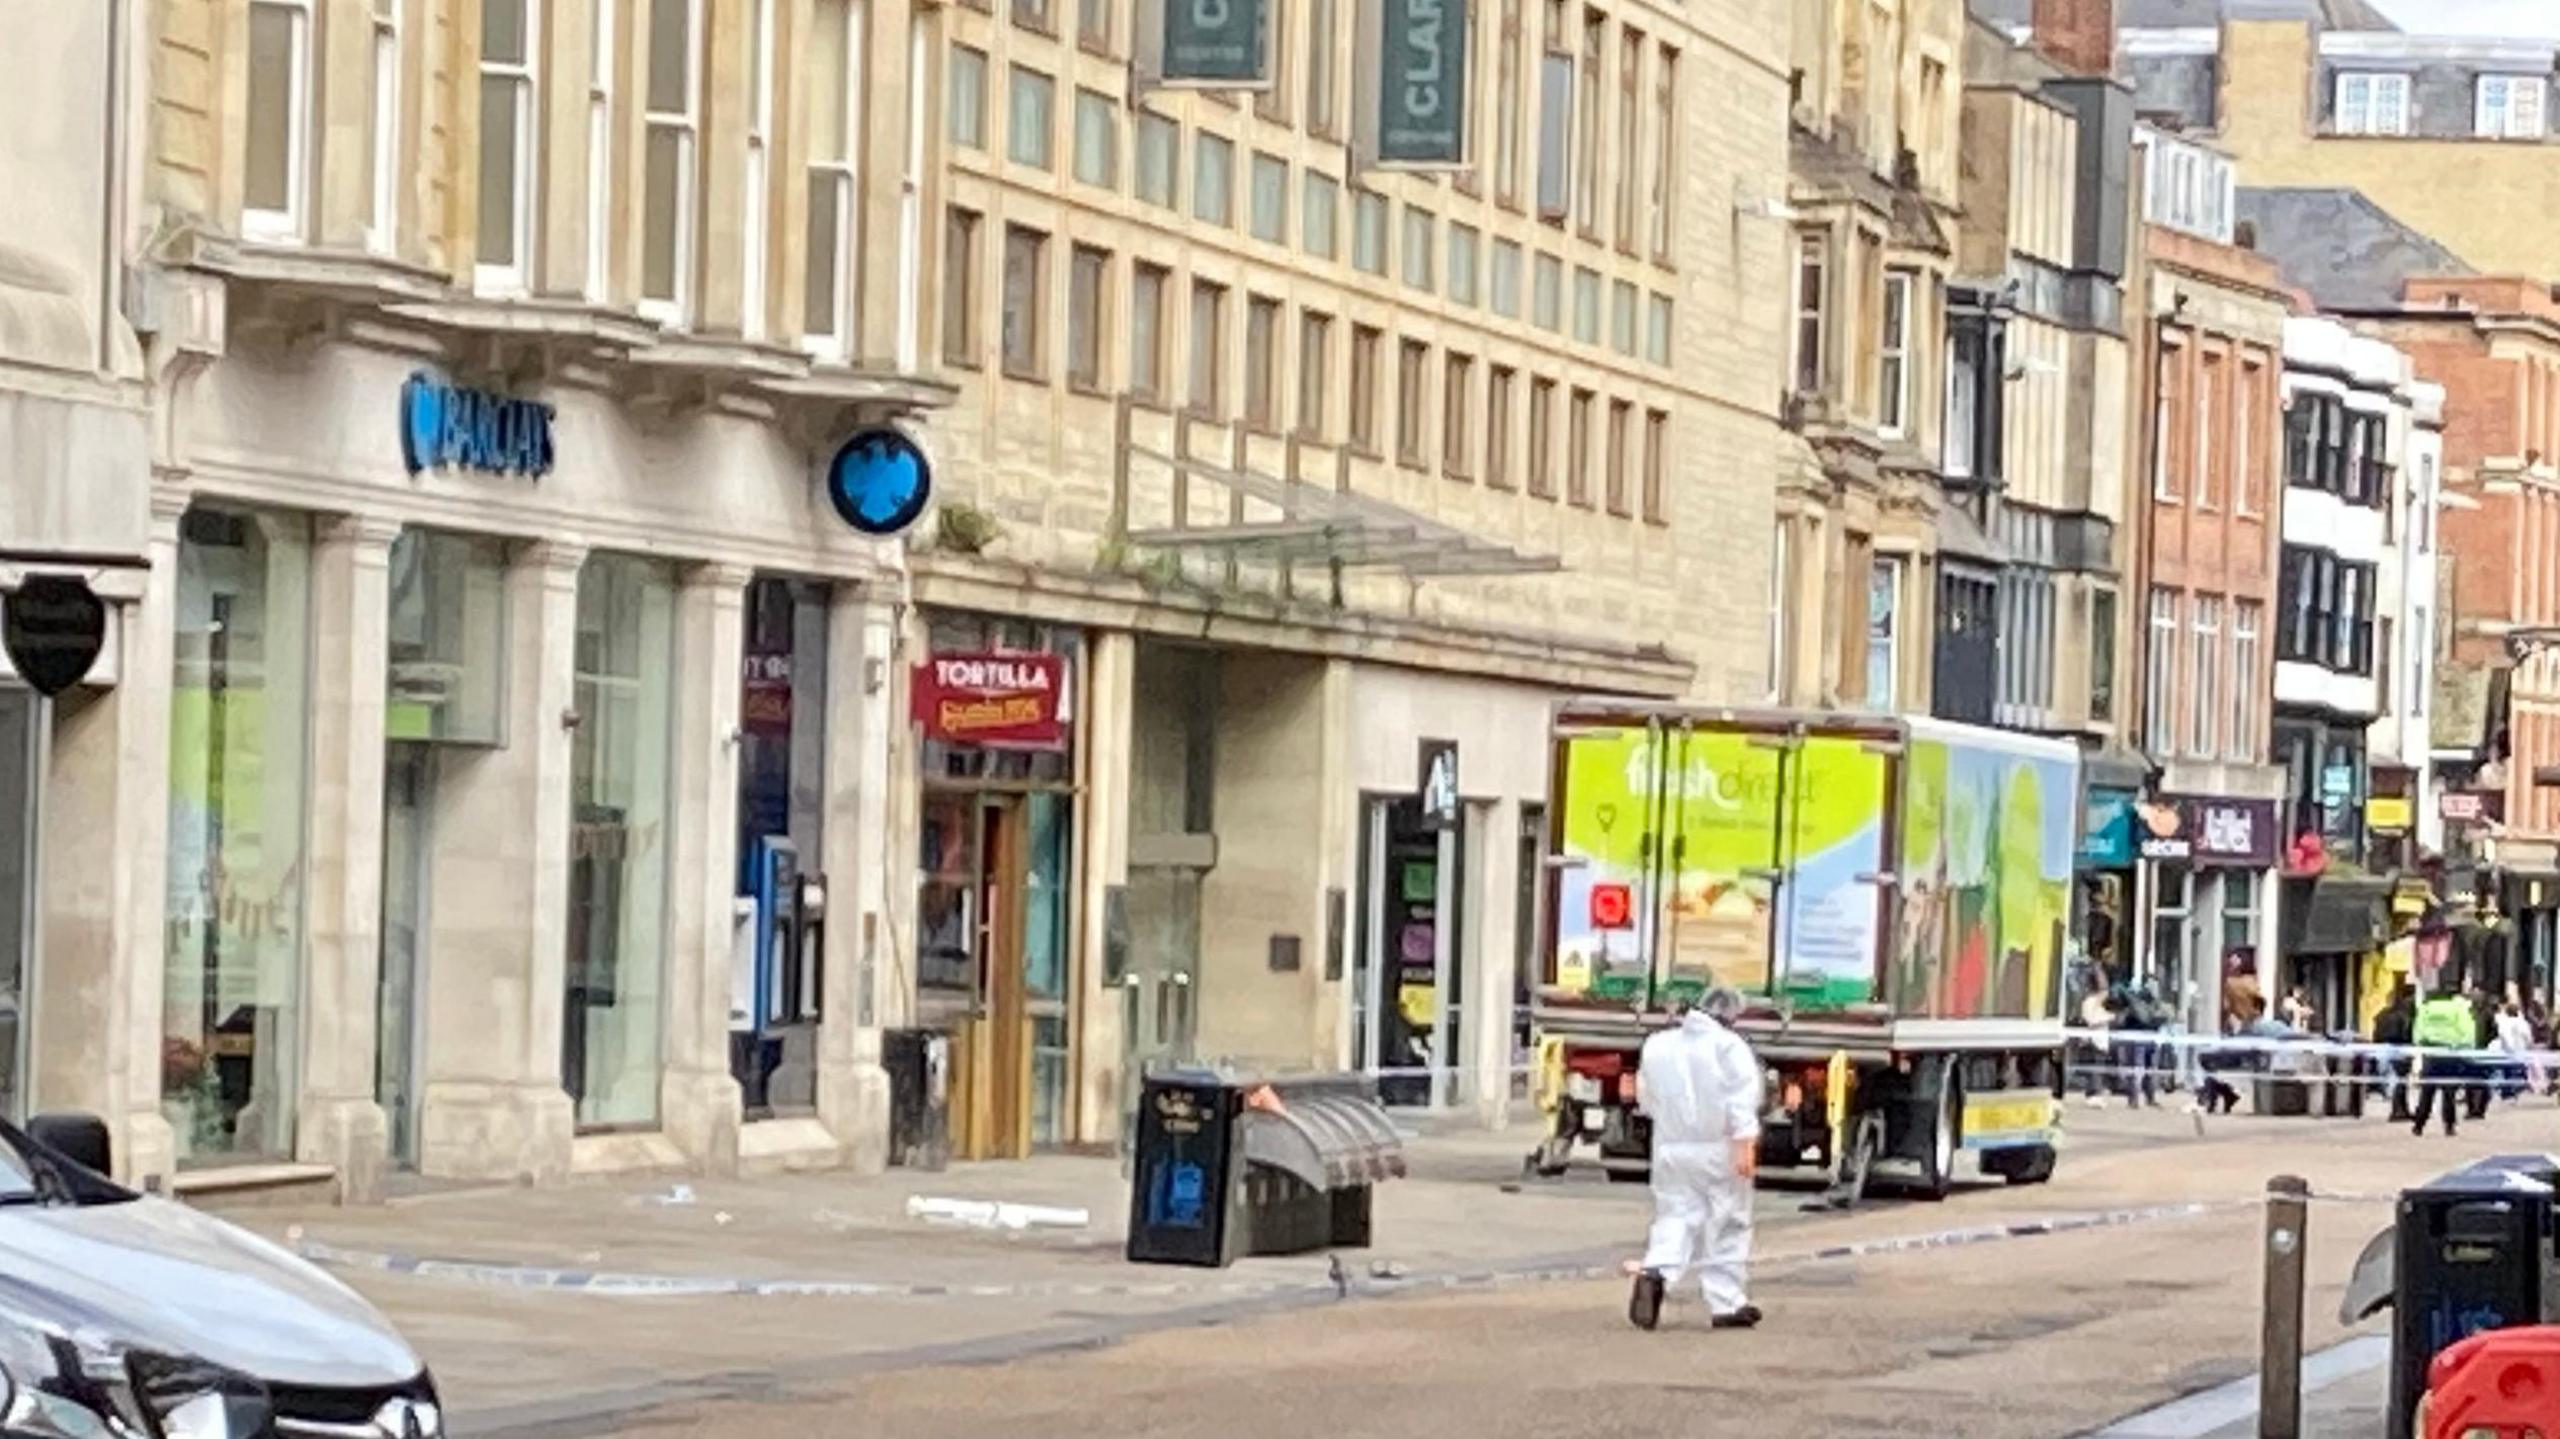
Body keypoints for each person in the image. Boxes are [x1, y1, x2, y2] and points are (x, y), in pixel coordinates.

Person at [1629, 986, 1766, 1333]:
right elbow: (1741, 1097)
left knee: (1674, 1216)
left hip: (1671, 1148)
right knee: (1728, 1223)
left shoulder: (1658, 1045)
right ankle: (1727, 1303)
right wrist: (1745, 1142)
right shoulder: (1729, 1046)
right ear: (1729, 1014)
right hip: (1719, 1147)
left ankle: (1656, 1272)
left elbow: (1646, 1099)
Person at [2413, 986, 2478, 1138]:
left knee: (2427, 1091)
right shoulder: (2458, 1008)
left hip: (2431, 1052)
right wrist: (2466, 1046)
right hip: (2451, 1053)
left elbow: (2418, 1030)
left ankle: (2419, 1124)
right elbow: (2467, 1030)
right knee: (2449, 1092)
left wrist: (2421, 1043)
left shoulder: (2426, 1008)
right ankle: (2449, 1125)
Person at [2372, 985, 2416, 1123]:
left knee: (2396, 1080)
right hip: (2400, 1049)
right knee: (2400, 1082)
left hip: (2385, 1049)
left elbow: (2376, 1033)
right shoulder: (2405, 1015)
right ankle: (2398, 1110)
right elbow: (2406, 1033)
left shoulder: (2382, 1014)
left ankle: (2401, 1109)